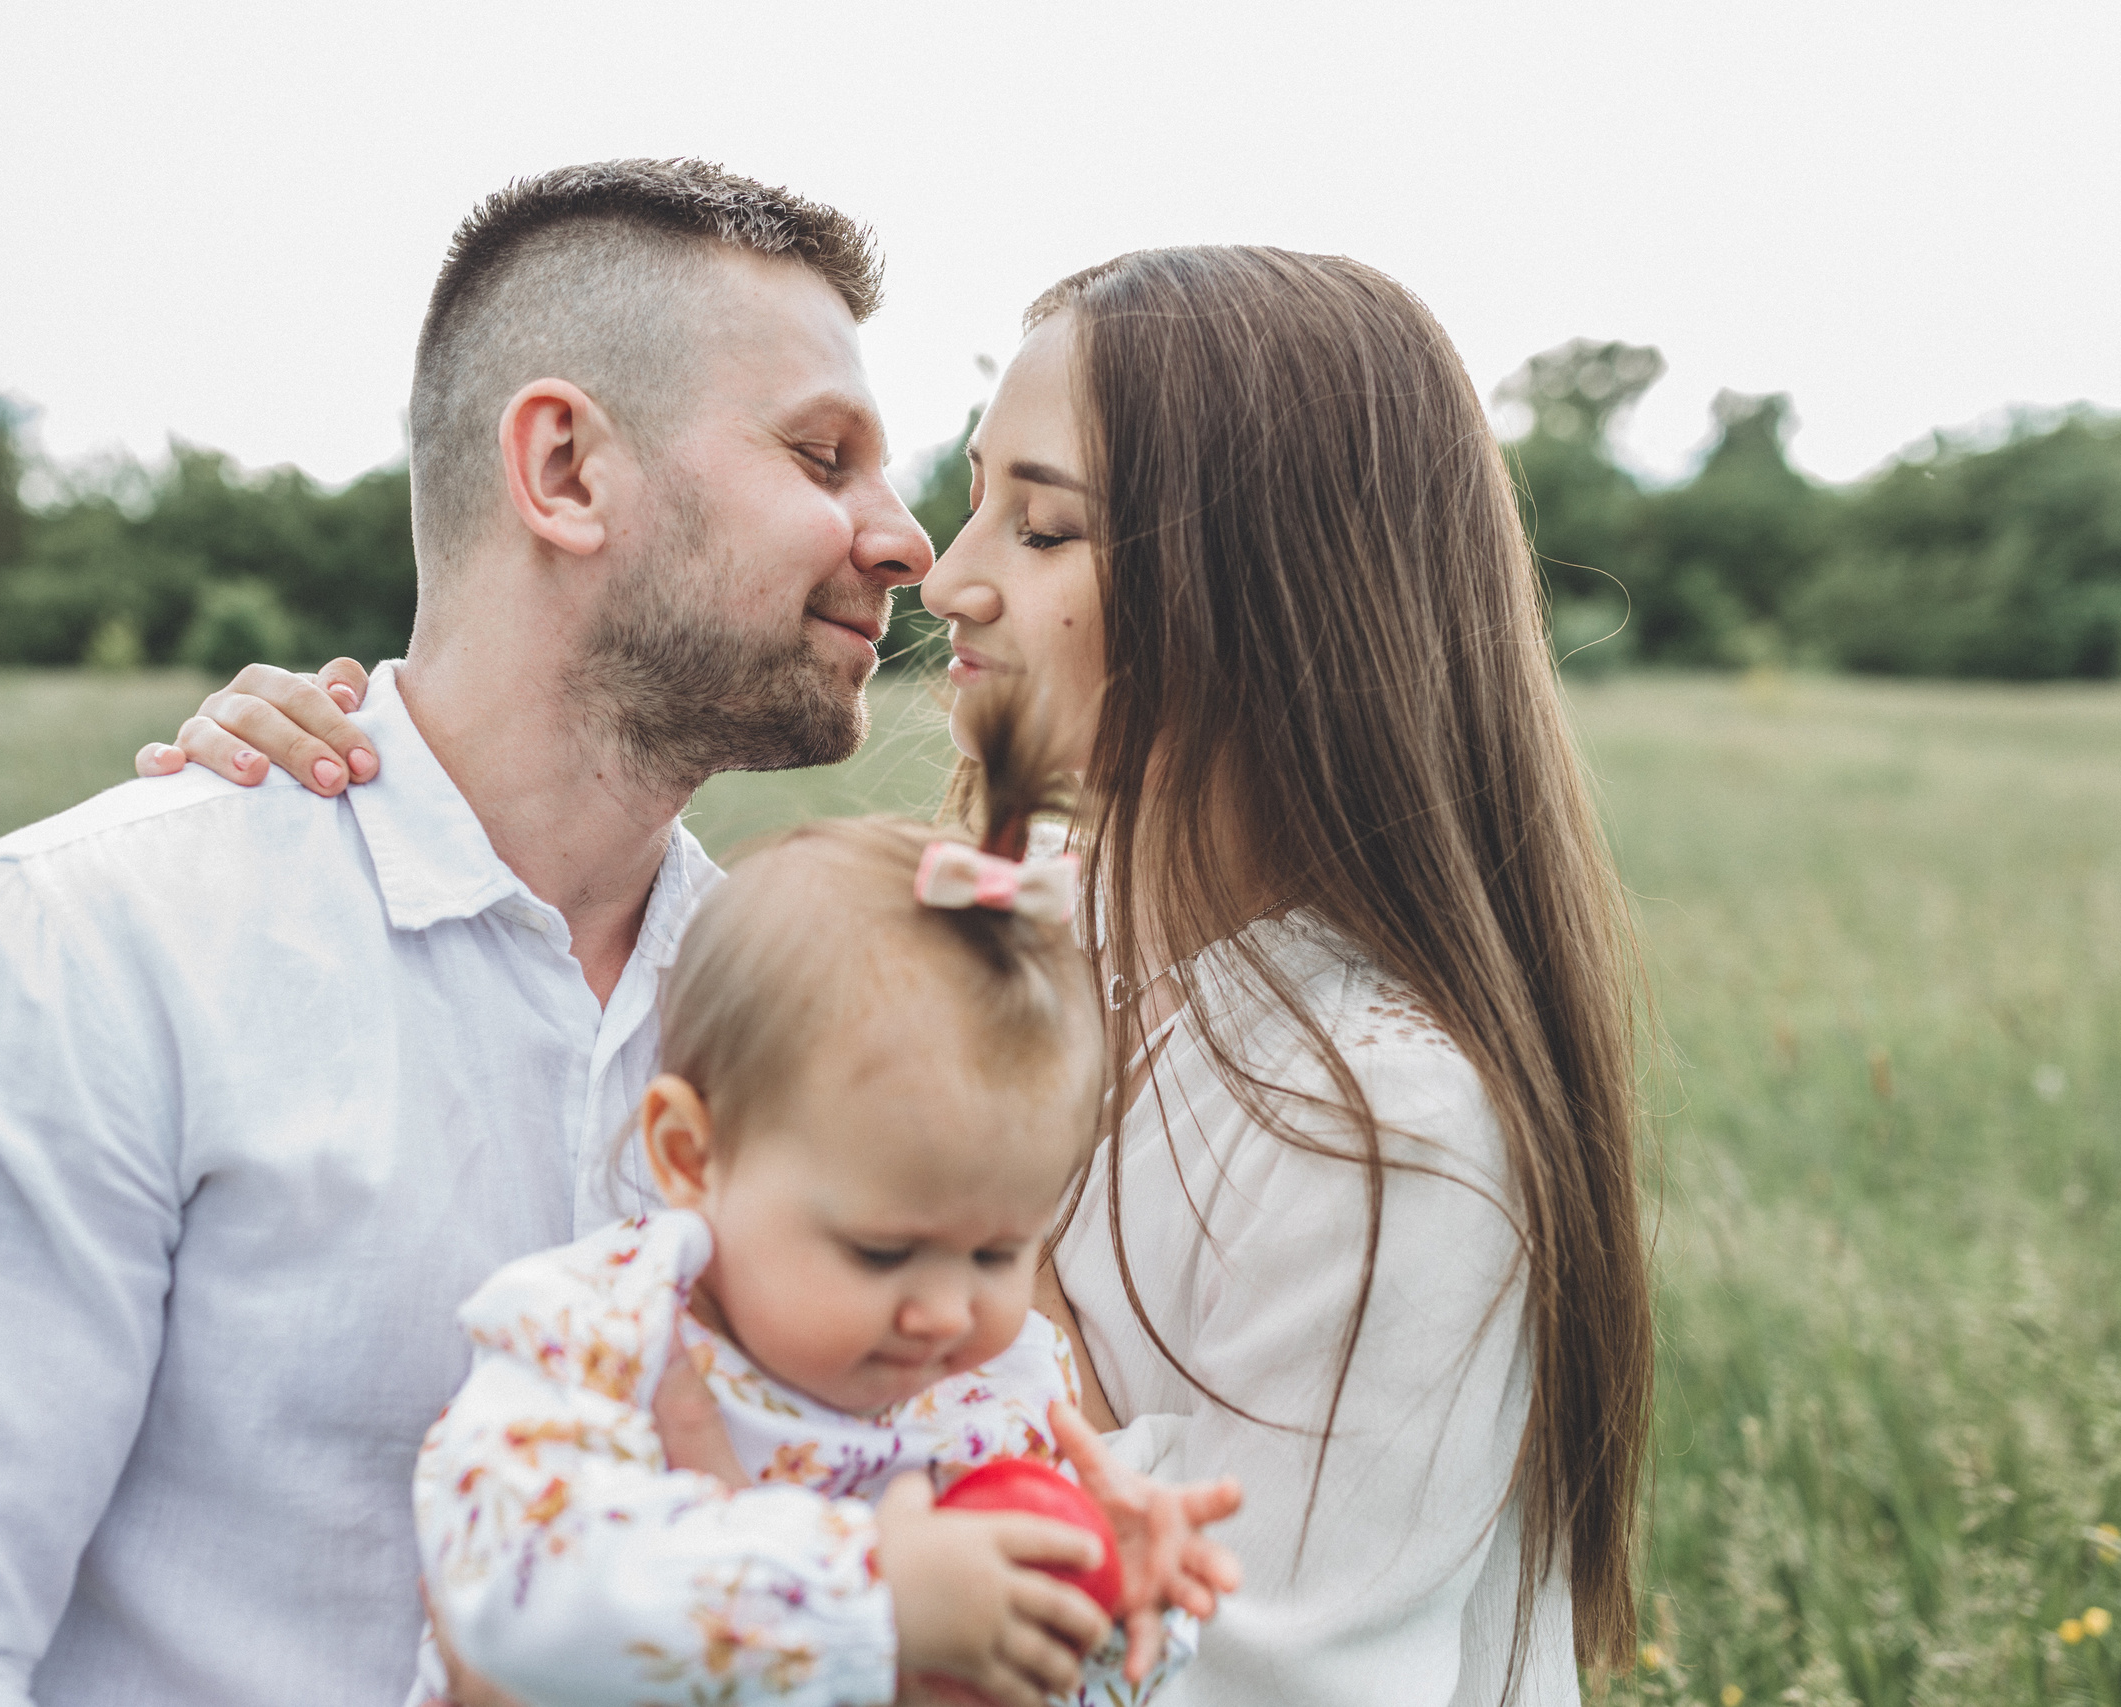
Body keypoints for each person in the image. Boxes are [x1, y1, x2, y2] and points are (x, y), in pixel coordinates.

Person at [192, 244, 1655, 1706]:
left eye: (1043, 528)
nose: (947, 581)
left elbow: (1272, 1679)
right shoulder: (992, 942)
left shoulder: (1375, 1117)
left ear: (1272, 594)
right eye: (976, 507)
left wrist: (931, 1537)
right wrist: (378, 756)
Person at [0, 159, 937, 1707]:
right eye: (823, 454)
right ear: (567, 469)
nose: (906, 535)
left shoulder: (811, 1018)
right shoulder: (79, 953)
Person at [411, 715, 1240, 1707]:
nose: (943, 1311)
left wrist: (1105, 1612)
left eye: (996, 1254)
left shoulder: (996, 1395)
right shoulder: (595, 1336)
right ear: (690, 1155)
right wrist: (877, 1598)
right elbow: (512, 1590)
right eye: (883, 1251)